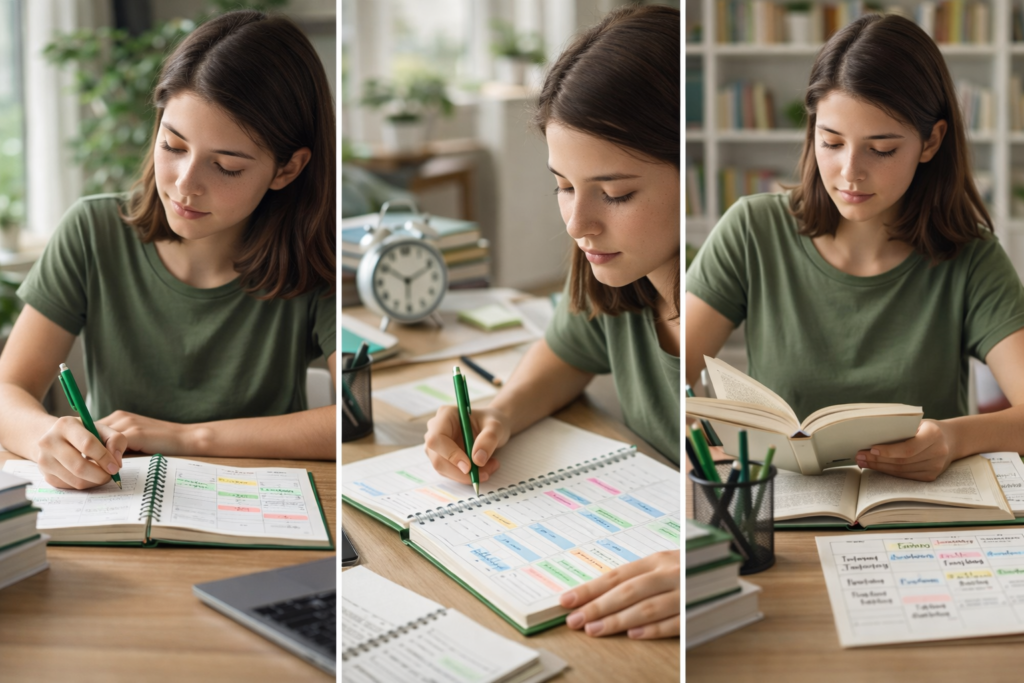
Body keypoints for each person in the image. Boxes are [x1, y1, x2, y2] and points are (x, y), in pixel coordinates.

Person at [423, 5, 681, 640]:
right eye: (563, 186)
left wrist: (720, 552)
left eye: (615, 193)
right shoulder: (621, 279)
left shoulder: (778, 292)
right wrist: (501, 412)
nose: (577, 223)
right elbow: (564, 353)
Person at [0, 10, 336, 490]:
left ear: (287, 169)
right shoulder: (93, 231)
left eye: (226, 166)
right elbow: (7, 390)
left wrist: (189, 438)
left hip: (264, 511)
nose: (184, 184)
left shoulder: (313, 258)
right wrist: (44, 438)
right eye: (173, 146)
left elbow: (348, 416)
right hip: (111, 505)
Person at [687, 14, 1024, 482]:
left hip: (918, 517)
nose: (849, 172)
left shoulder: (971, 257)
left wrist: (954, 438)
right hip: (784, 517)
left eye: (881, 149)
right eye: (831, 142)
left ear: (931, 141)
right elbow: (672, 372)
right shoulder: (752, 229)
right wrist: (694, 429)